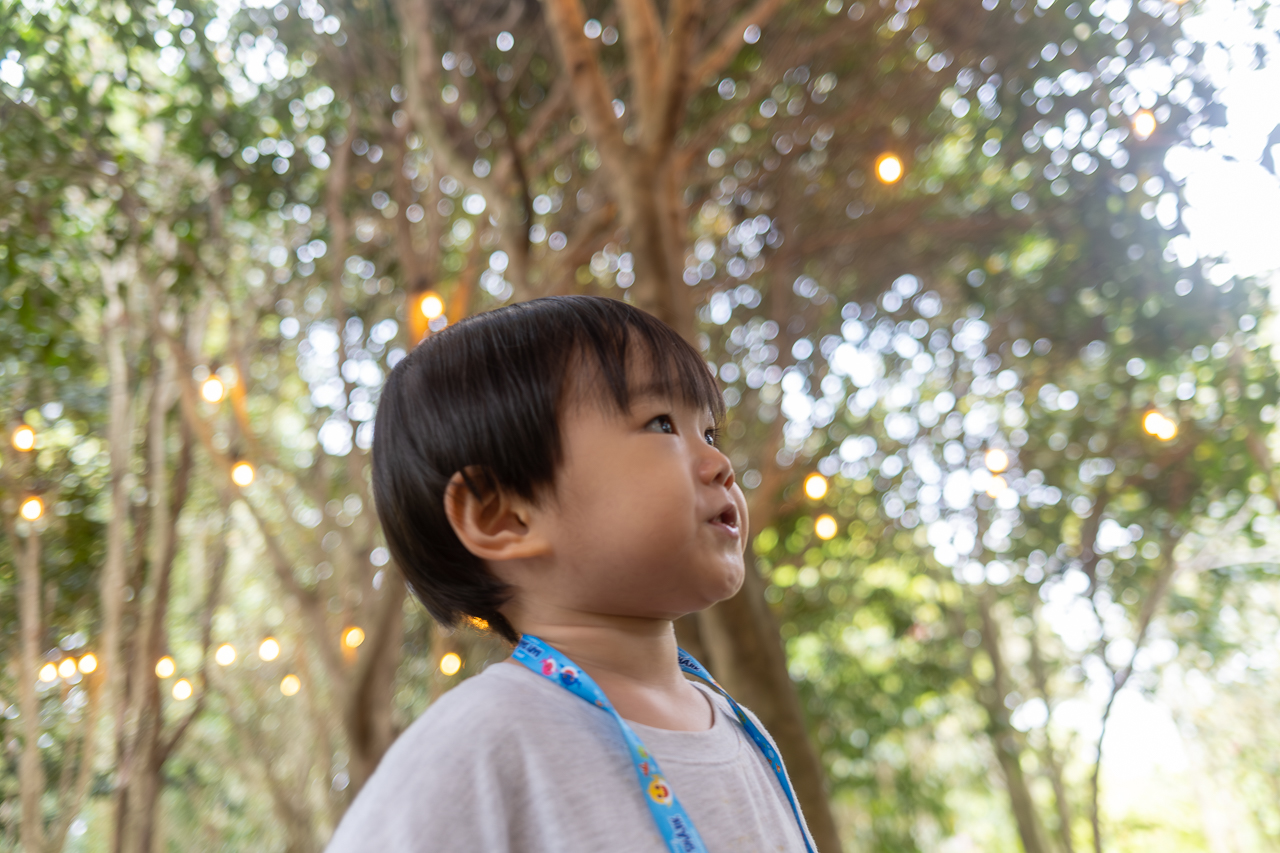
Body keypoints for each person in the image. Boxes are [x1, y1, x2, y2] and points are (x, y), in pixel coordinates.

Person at [326, 295, 816, 853]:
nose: (721, 465)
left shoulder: (736, 725)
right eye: (661, 424)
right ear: (504, 516)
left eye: (708, 434)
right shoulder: (478, 742)